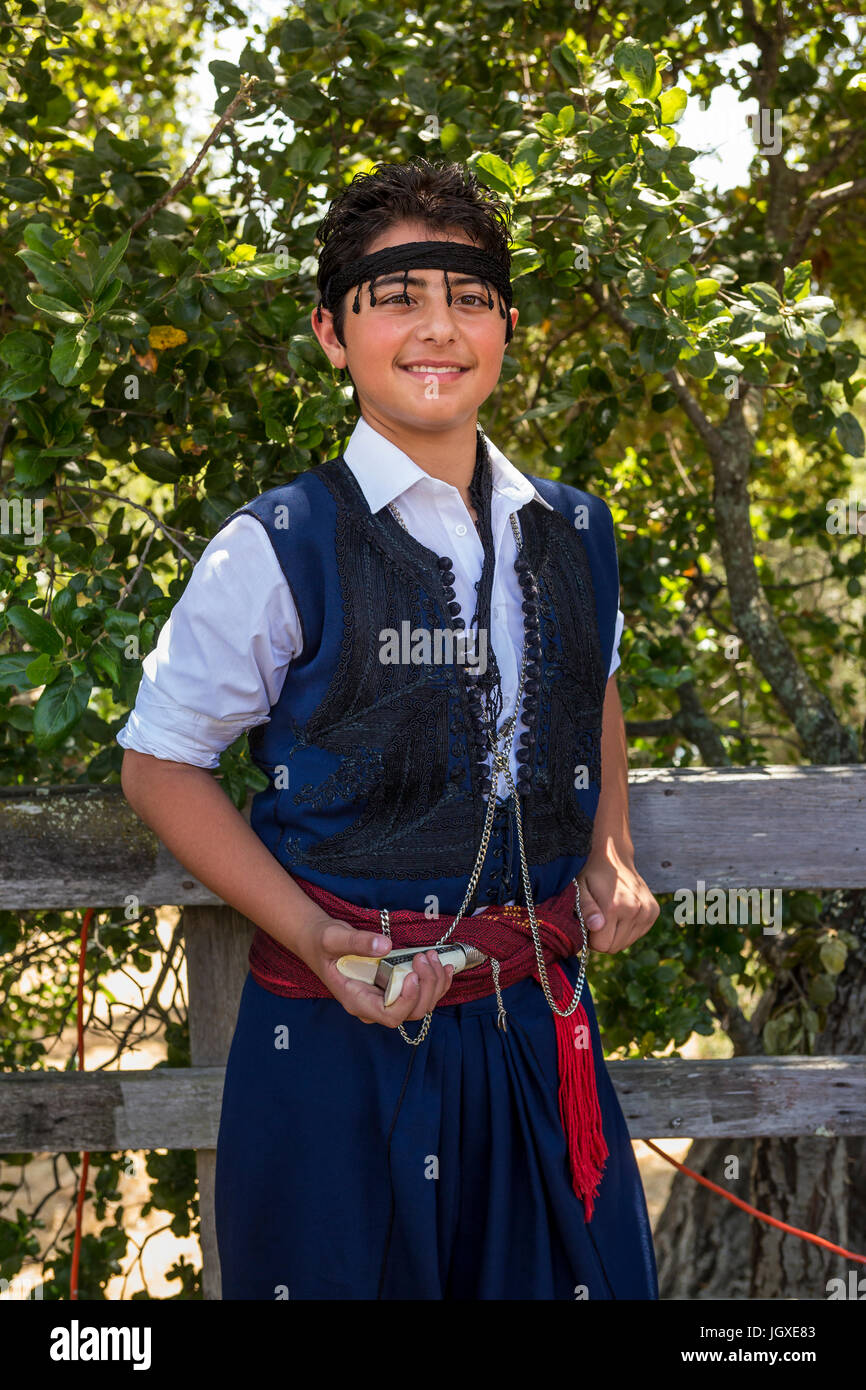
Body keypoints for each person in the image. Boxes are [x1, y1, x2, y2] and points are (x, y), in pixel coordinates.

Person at [117, 157, 661, 1300]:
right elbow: (161, 762)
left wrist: (608, 845)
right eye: (395, 297)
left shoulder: (574, 528)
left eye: (467, 299)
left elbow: (591, 684)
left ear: (505, 327)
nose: (436, 328)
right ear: (330, 332)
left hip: (535, 1020)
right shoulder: (276, 543)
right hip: (337, 1042)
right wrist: (315, 936)